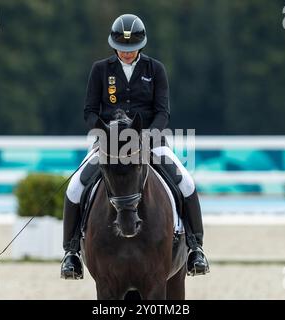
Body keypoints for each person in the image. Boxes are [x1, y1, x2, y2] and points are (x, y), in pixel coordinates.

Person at [60, 13, 209, 279]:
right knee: (75, 187)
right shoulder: (100, 70)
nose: (126, 54)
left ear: (141, 46)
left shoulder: (155, 70)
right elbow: (90, 111)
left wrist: (146, 137)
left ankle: (195, 249)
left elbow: (163, 112)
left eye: (131, 49)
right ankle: (71, 253)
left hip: (149, 141)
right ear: (113, 45)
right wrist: (105, 134)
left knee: (186, 183)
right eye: (121, 49)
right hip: (108, 143)